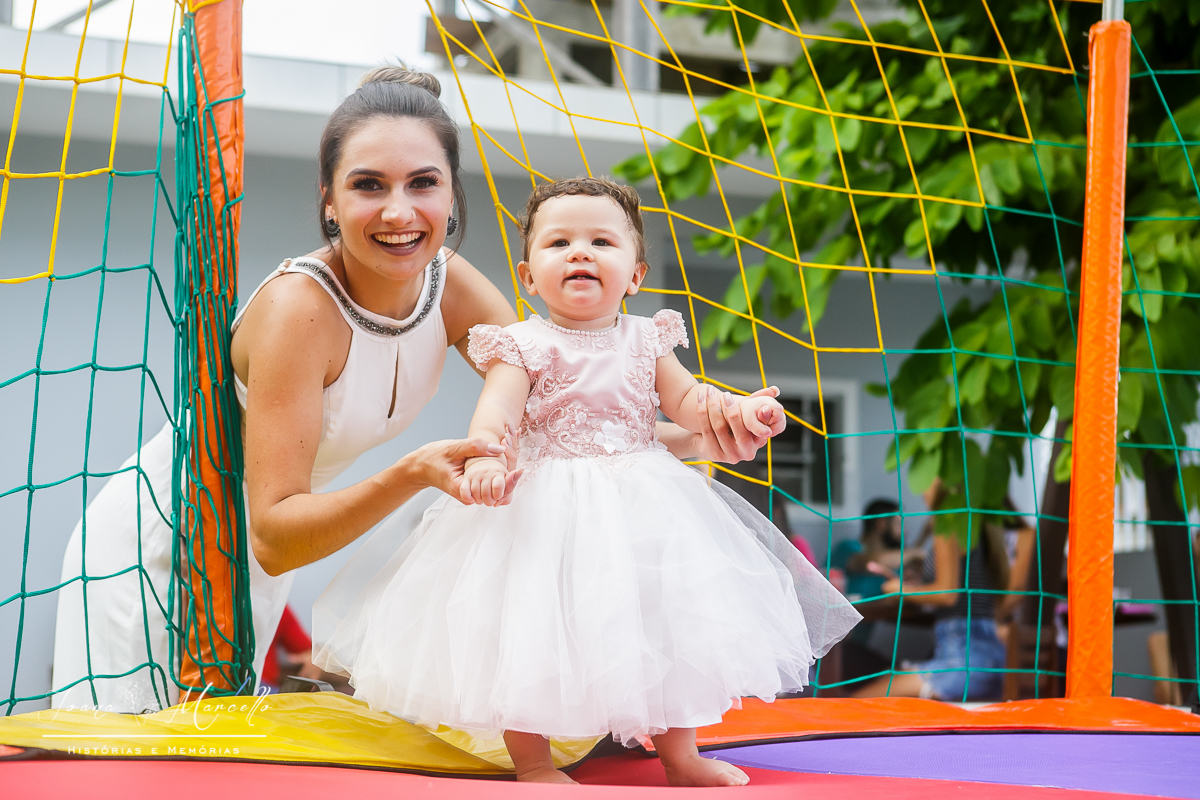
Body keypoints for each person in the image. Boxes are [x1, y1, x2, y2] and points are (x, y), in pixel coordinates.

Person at [51, 67, 783, 713]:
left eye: (422, 183)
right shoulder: (300, 310)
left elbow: (568, 419)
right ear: (330, 201)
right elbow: (274, 535)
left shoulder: (450, 285)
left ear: (451, 194)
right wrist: (411, 473)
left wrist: (695, 435)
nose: (399, 212)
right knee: (134, 760)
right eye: (369, 185)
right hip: (168, 543)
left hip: (256, 567)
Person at [312, 177, 862, 787]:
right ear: (528, 276)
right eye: (559, 243)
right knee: (527, 630)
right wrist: (489, 458)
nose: (580, 252)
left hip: (645, 509)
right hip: (541, 511)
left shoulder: (647, 340)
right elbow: (497, 415)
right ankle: (534, 762)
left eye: (601, 241)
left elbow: (690, 404)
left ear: (635, 275)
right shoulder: (521, 345)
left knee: (667, 622)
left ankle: (680, 756)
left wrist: (741, 410)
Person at [853, 480, 1008, 701]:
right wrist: (917, 585)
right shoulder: (977, 525)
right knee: (886, 679)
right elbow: (961, 588)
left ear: (944, 482)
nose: (921, 489)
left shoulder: (948, 522)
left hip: (960, 662)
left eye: (927, 480)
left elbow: (947, 594)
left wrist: (901, 589)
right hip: (991, 658)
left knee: (859, 701)